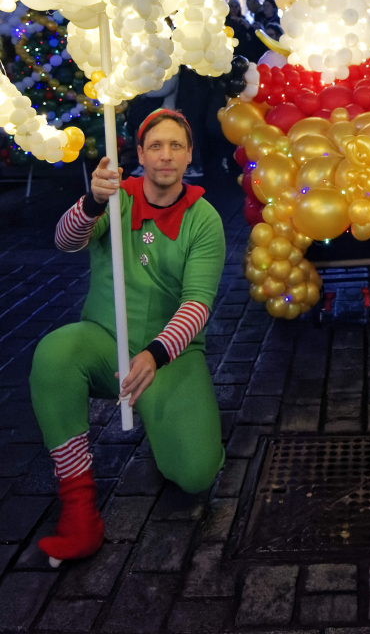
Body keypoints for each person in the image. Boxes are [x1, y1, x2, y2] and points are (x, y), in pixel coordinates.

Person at [29, 110, 226, 564]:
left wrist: (156, 354)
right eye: (155, 146)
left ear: (189, 155)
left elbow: (197, 304)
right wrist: (92, 203)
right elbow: (65, 241)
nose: (166, 155)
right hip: (104, 341)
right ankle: (79, 510)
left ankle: (173, 430)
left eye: (176, 146)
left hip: (168, 356)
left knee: (195, 475)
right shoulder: (115, 199)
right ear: (139, 154)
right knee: (54, 354)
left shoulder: (204, 219)